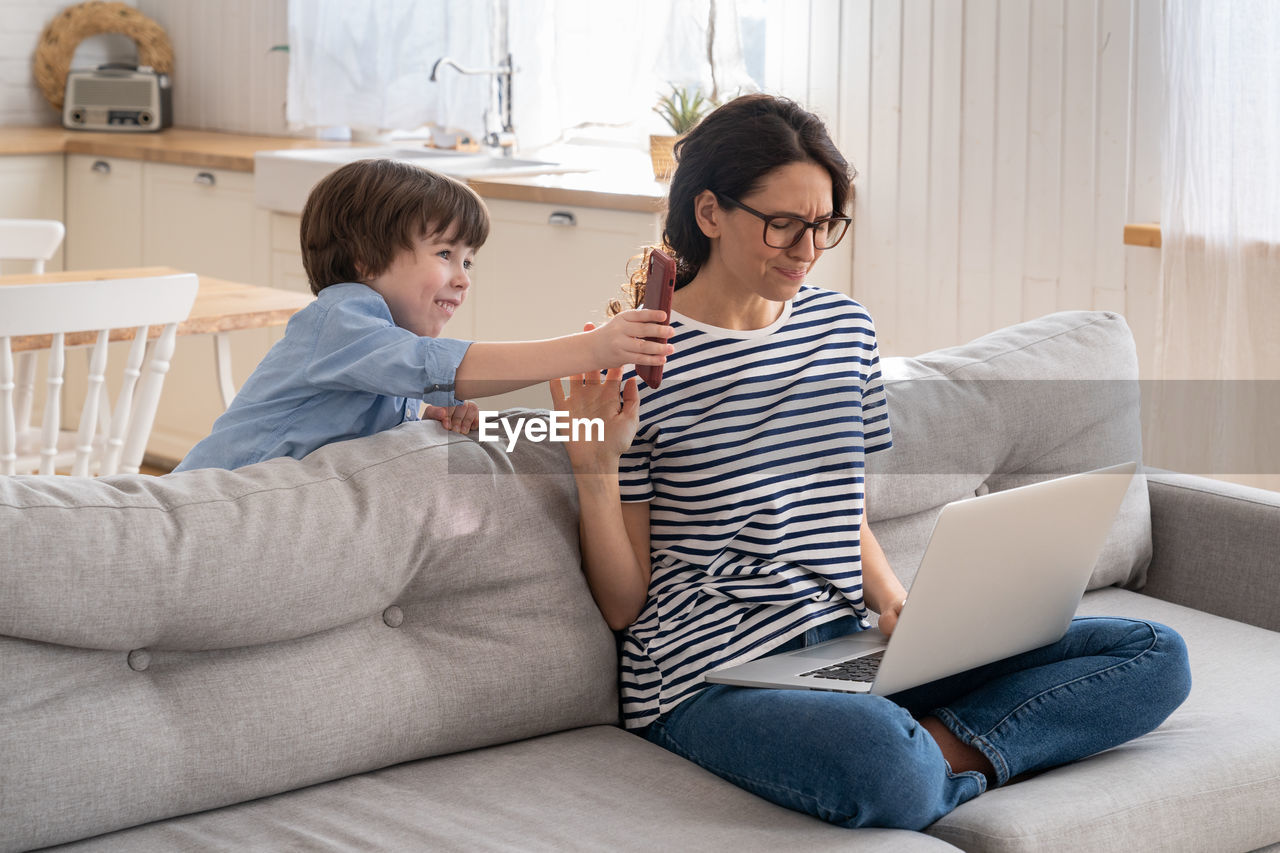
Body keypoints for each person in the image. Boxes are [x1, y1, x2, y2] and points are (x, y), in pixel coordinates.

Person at [549, 94, 1191, 830]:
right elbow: (627, 607)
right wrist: (596, 474)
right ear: (709, 213)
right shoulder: (639, 363)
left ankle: (935, 751)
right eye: (783, 224)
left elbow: (839, 506)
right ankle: (928, 753)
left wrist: (896, 604)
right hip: (706, 679)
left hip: (846, 645)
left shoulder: (842, 328)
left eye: (822, 224)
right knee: (883, 764)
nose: (806, 248)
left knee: (1154, 653)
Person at [175, 158, 673, 472]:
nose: (463, 278)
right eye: (444, 255)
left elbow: (391, 392)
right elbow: (431, 364)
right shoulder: (341, 317)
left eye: (468, 261)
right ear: (364, 261)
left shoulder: (380, 350)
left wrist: (427, 413)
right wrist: (592, 348)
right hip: (206, 501)